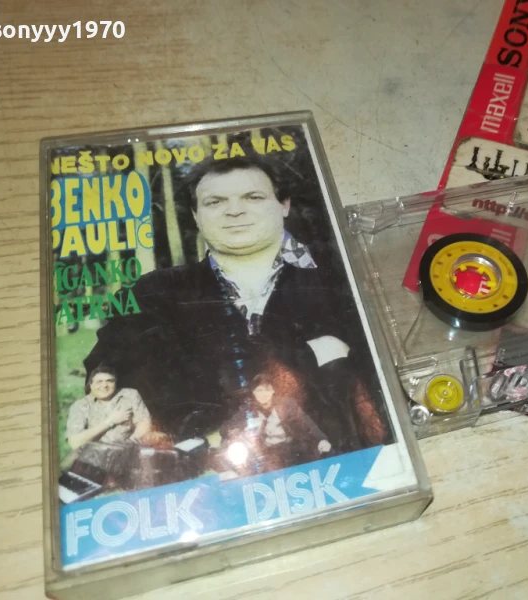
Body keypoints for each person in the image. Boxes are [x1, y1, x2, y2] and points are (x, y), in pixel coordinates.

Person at [84, 154, 390, 452]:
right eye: (215, 202)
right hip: (207, 464)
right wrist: (309, 355)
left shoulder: (345, 270)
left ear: (284, 205)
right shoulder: (154, 292)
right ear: (196, 215)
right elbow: (108, 379)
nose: (234, 211)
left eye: (253, 197)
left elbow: (382, 374)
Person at [219, 370, 332, 476]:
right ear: (253, 393)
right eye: (259, 390)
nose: (263, 394)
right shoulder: (247, 412)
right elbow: (226, 429)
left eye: (267, 390)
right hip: (267, 456)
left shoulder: (286, 405)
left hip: (291, 450)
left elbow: (306, 422)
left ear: (273, 391)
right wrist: (234, 433)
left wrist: (321, 439)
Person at [66, 365, 152, 450]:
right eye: (99, 382)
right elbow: (75, 442)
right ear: (91, 385)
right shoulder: (80, 405)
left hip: (127, 451)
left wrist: (128, 444)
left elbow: (144, 421)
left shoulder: (130, 395)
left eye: (109, 381)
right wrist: (110, 421)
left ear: (115, 383)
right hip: (94, 455)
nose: (104, 385)